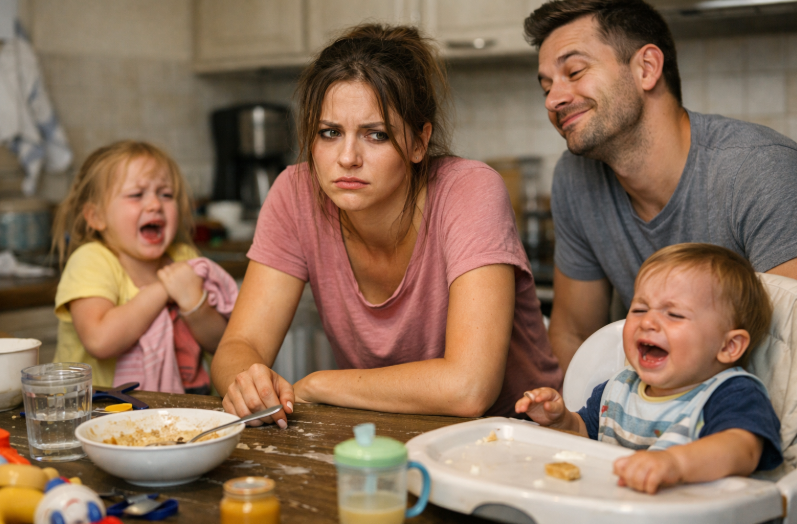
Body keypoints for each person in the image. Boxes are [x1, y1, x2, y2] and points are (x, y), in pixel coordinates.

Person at [211, 24, 562, 428]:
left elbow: (469, 388)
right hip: (388, 437)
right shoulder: (296, 193)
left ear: (419, 142)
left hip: (518, 441)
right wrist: (246, 381)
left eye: (375, 135)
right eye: (329, 133)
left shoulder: (469, 190)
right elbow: (240, 345)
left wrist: (316, 385)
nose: (347, 158)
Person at [523, 0, 797, 374]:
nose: (553, 99)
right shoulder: (575, 177)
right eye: (545, 87)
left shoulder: (759, 170)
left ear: (647, 68)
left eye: (574, 70)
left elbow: (788, 352)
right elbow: (573, 334)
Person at [516, 243, 782, 494]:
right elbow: (584, 435)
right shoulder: (618, 388)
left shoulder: (732, 394)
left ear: (729, 346)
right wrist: (560, 420)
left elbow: (743, 449)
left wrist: (675, 464)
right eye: (640, 309)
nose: (648, 322)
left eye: (674, 314)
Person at [52, 140, 232, 393]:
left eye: (166, 195)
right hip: (95, 414)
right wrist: (163, 289)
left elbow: (223, 344)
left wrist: (194, 303)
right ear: (96, 216)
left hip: (182, 409)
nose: (155, 205)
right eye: (136, 195)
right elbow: (99, 340)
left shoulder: (184, 257)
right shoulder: (91, 260)